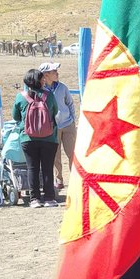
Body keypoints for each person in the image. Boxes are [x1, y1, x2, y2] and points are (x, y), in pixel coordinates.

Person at [12, 68, 59, 207]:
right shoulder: (48, 95)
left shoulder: (21, 97)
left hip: (28, 138)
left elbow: (15, 116)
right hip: (49, 138)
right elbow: (55, 111)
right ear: (40, 80)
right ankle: (49, 198)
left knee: (32, 168)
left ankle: (35, 199)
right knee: (47, 167)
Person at [39, 61, 76, 192]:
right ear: (46, 75)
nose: (57, 73)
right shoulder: (40, 90)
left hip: (68, 124)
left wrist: (73, 121)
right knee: (55, 155)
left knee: (72, 153)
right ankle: (59, 179)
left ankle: (75, 179)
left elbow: (70, 103)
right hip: (52, 127)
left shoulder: (62, 87)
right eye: (54, 71)